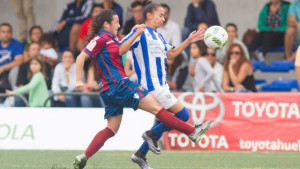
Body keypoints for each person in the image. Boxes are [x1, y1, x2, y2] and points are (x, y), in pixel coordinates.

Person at [73, 9, 210, 169]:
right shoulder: (102, 38)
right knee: (159, 111)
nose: (118, 25)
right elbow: (84, 56)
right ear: (106, 24)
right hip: (121, 85)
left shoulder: (113, 38)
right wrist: (77, 80)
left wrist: (188, 40)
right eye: (116, 22)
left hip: (108, 90)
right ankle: (191, 131)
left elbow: (168, 53)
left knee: (111, 129)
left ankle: (84, 156)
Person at [119, 3, 210, 169]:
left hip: (162, 85)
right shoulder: (140, 31)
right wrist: (135, 33)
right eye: (160, 14)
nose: (163, 18)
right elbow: (120, 49)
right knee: (182, 114)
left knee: (170, 117)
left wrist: (189, 41)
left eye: (164, 15)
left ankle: (140, 153)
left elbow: (172, 54)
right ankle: (184, 132)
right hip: (151, 86)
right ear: (148, 16)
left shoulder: (159, 36)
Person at [0, 23, 24, 93]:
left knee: (16, 69)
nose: (6, 34)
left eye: (8, 32)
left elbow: (19, 61)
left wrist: (2, 68)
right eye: (3, 32)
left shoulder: (17, 44)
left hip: (9, 72)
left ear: (12, 33)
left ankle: (13, 94)